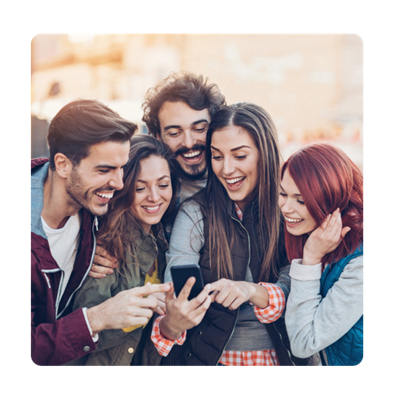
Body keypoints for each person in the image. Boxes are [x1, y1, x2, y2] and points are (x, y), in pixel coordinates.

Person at [150, 103, 309, 367]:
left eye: (240, 156)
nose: (226, 169)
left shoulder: (288, 207)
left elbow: (300, 287)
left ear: (264, 154)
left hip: (283, 358)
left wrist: (251, 291)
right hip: (214, 360)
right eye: (217, 156)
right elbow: (177, 287)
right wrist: (179, 309)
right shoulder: (194, 213)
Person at [30, 99, 170, 366]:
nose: (118, 184)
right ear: (62, 165)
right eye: (105, 170)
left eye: (121, 168)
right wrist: (99, 317)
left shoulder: (93, 210)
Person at [89, 71, 226, 277]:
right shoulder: (130, 181)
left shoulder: (237, 185)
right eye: (174, 133)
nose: (189, 143)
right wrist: (88, 253)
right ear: (156, 137)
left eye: (199, 128)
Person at [63, 135, 179, 367]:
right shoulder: (108, 246)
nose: (154, 196)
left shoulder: (164, 241)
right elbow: (83, 334)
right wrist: (140, 307)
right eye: (140, 187)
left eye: (163, 185)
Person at [279, 143, 364, 367]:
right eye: (282, 193)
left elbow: (303, 342)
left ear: (332, 198)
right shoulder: (319, 237)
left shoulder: (361, 265)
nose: (286, 208)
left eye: (300, 199)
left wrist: (310, 260)